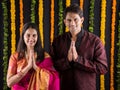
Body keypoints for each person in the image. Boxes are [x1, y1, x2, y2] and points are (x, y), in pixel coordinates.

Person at [50, 4, 108, 90]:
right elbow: (51, 67)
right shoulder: (57, 41)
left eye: (75, 20)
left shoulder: (95, 41)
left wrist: (79, 60)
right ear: (65, 22)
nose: (72, 23)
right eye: (69, 20)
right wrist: (67, 61)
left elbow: (102, 68)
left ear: (82, 20)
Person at [7, 22, 60, 90]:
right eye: (28, 35)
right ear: (23, 36)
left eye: (34, 35)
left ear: (38, 37)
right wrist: (28, 67)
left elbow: (54, 78)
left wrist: (35, 67)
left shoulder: (45, 57)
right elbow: (9, 83)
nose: (31, 38)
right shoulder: (15, 57)